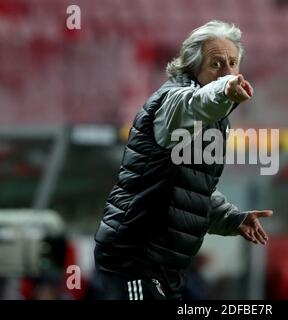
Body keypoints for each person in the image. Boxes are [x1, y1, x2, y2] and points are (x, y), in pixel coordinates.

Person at [94, 20, 273, 300]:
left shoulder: (216, 121)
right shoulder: (173, 102)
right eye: (216, 64)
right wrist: (224, 90)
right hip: (134, 259)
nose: (227, 72)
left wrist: (231, 218)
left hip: (166, 268)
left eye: (233, 63)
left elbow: (190, 191)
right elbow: (195, 103)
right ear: (193, 67)